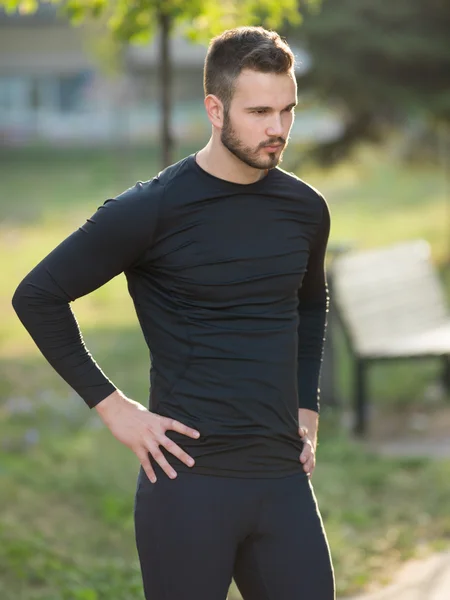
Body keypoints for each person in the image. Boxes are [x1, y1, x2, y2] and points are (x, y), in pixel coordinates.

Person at [12, 25, 335, 600]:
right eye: (260, 111)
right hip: (188, 486)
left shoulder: (306, 208)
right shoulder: (152, 209)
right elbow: (37, 295)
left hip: (282, 479)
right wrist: (116, 410)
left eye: (288, 110)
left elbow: (310, 304)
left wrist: (307, 405)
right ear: (215, 108)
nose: (278, 129)